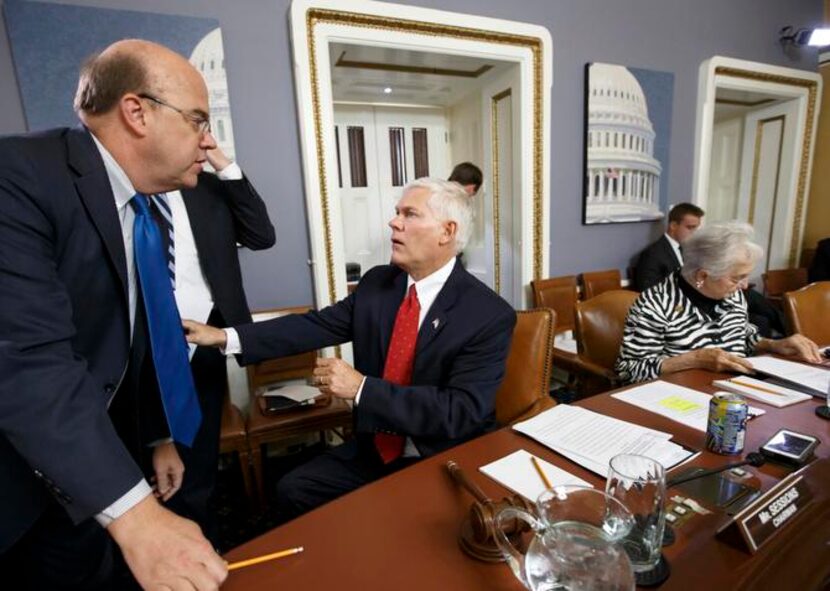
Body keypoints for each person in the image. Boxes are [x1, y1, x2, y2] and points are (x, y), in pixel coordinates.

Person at [0, 40, 227, 589]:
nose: (208, 139)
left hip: (104, 461)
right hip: (26, 485)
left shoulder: (141, 207)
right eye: (197, 118)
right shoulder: (18, 176)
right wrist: (138, 518)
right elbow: (28, 361)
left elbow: (133, 335)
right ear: (137, 112)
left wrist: (157, 436)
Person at [184, 178, 516, 521]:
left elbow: (459, 412)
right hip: (376, 448)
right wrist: (225, 337)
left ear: (447, 232)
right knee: (291, 491)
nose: (394, 222)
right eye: (396, 212)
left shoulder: (488, 314)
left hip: (443, 455)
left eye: (410, 214)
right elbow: (313, 326)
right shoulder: (378, 284)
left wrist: (361, 389)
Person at [158, 145, 275, 539]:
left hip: (204, 341)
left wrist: (225, 166)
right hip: (146, 346)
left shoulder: (209, 188)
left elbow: (262, 235)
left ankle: (200, 541)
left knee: (199, 460)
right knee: (150, 462)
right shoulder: (130, 190)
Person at [615, 221, 822, 384]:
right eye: (736, 278)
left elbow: (741, 336)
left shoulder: (731, 294)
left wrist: (774, 344)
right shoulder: (655, 305)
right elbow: (629, 371)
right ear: (703, 276)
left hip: (736, 390)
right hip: (679, 398)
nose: (744, 286)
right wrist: (694, 359)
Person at [633, 202, 704, 292]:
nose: (695, 233)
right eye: (690, 228)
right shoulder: (652, 255)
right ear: (673, 226)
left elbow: (697, 282)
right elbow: (648, 292)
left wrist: (700, 288)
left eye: (696, 228)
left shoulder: (687, 250)